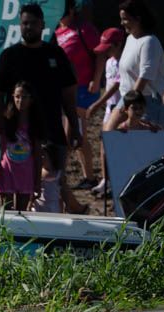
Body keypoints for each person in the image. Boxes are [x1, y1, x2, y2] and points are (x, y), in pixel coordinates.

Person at [0, 4, 87, 214]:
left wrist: (75, 127)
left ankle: (56, 225)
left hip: (52, 130)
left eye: (33, 23)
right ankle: (10, 227)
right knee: (12, 189)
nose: (28, 27)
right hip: (18, 134)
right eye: (24, 23)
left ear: (42, 25)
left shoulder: (55, 54)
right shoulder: (10, 56)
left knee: (53, 184)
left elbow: (68, 95)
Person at [55, 0, 104, 189]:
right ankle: (88, 177)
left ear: (70, 10)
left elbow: (100, 54)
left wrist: (96, 79)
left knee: (73, 133)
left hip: (83, 88)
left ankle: (62, 175)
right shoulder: (57, 31)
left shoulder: (84, 29)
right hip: (65, 89)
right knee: (75, 134)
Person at [108, 0, 164, 129]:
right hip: (128, 98)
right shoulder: (130, 39)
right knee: (109, 132)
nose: (121, 23)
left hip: (146, 102)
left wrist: (128, 106)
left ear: (138, 19)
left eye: (125, 19)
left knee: (140, 141)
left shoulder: (149, 42)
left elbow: (144, 77)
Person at [86, 26, 126, 197]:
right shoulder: (110, 62)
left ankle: (117, 181)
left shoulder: (124, 62)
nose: (105, 52)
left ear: (118, 44)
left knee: (117, 146)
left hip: (121, 109)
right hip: (110, 108)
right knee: (104, 145)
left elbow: (117, 85)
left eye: (108, 48)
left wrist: (97, 103)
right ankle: (106, 180)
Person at [0, 81, 41, 210]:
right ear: (12, 97)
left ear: (31, 99)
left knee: (21, 212)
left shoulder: (35, 122)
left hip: (26, 172)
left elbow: (38, 154)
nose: (20, 100)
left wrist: (38, 181)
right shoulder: (5, 119)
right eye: (17, 96)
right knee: (6, 210)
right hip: (7, 170)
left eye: (25, 97)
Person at [32, 143, 65, 212]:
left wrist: (61, 210)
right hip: (38, 205)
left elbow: (61, 193)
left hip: (53, 206)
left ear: (51, 156)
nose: (41, 157)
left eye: (44, 155)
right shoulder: (37, 171)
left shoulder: (58, 173)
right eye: (40, 155)